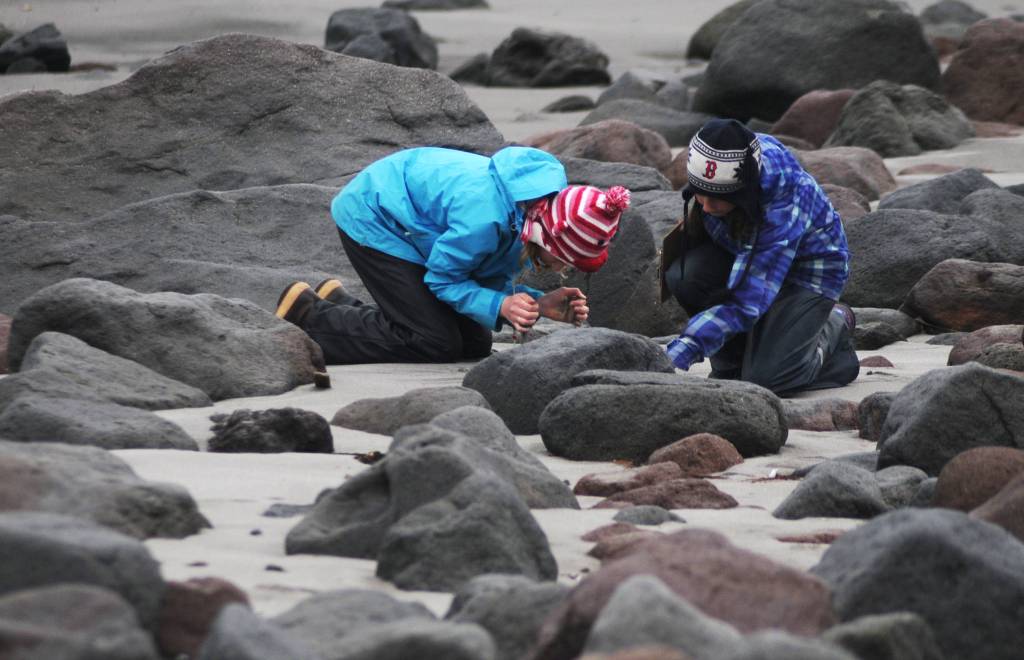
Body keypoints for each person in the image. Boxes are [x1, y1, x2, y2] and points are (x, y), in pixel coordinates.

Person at [275, 145, 630, 364]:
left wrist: (537, 303)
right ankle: (309, 315)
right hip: (377, 216)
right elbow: (443, 278)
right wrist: (502, 306)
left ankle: (341, 307)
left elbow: (482, 278)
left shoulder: (531, 208)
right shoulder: (486, 217)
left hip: (416, 229)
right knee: (433, 342)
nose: (564, 268)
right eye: (566, 259)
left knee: (475, 342)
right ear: (549, 239)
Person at [662, 118, 859, 395]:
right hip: (743, 253)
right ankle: (732, 364)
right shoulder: (729, 162)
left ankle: (834, 326)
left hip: (806, 276)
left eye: (716, 199)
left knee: (767, 381)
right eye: (699, 195)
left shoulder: (782, 202)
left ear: (743, 191)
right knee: (685, 275)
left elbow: (747, 301)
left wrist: (685, 349)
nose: (705, 208)